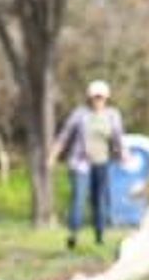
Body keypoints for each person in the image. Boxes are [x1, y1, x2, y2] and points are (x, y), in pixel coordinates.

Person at [50, 81, 127, 251]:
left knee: (99, 200)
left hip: (102, 163)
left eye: (100, 97)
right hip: (80, 164)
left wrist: (123, 155)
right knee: (78, 198)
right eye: (94, 97)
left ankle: (99, 237)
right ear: (89, 98)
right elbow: (64, 136)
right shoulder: (80, 114)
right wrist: (53, 155)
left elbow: (118, 137)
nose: (97, 100)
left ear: (106, 98)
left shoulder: (112, 115)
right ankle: (73, 234)